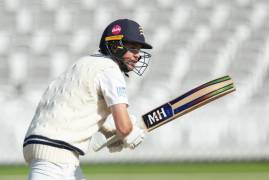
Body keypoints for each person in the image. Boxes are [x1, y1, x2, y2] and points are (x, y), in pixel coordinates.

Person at [23, 18, 153, 180]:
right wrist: (129, 133)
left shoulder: (84, 63)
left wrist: (111, 132)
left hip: (46, 150)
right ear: (115, 45)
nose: (137, 56)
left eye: (139, 50)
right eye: (133, 48)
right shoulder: (110, 69)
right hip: (57, 157)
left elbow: (81, 105)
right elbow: (124, 127)